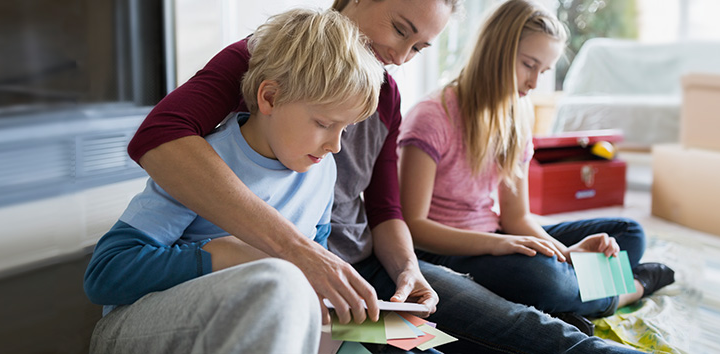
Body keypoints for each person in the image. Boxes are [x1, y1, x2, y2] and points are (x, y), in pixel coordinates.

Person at [124, 0, 648, 352]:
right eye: (400, 29)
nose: (400, 56)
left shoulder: (385, 99)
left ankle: (624, 287)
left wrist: (409, 269)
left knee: (515, 322)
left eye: (418, 47)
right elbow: (159, 136)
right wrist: (296, 253)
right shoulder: (270, 62)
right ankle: (609, 291)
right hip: (310, 278)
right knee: (507, 314)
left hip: (361, 275)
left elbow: (386, 208)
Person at [83, 8, 385, 353]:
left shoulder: (323, 169)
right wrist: (226, 254)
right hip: (137, 330)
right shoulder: (202, 164)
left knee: (377, 341)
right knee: (280, 282)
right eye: (323, 123)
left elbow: (315, 268)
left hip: (268, 326)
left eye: (345, 128)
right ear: (269, 97)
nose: (336, 145)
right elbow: (104, 275)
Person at [398, 0, 675, 336]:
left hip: (500, 235)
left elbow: (517, 218)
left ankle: (567, 299)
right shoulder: (432, 116)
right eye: (529, 65)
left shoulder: (516, 114)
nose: (533, 84)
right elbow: (413, 226)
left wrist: (567, 254)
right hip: (446, 251)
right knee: (542, 279)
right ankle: (628, 289)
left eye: (542, 72)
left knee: (628, 233)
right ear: (495, 50)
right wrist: (498, 245)